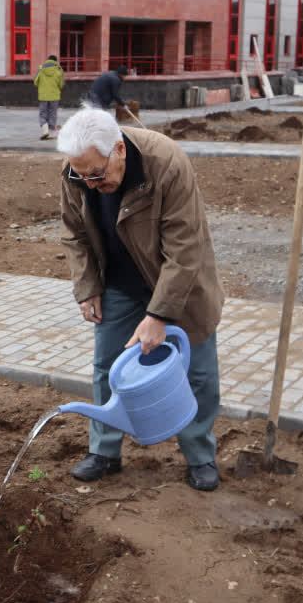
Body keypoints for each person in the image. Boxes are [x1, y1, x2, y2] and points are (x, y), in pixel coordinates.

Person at [57, 105, 225, 492]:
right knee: (107, 369)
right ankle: (105, 452)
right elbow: (73, 234)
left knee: (197, 373)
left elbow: (185, 249)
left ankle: (200, 455)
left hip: (180, 288)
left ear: (118, 149)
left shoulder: (166, 163)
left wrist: (159, 315)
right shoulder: (76, 171)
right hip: (117, 283)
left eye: (97, 174)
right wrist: (87, 287)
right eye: (82, 175)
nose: (90, 183)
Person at [34, 54, 65, 140]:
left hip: (43, 96)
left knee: (43, 113)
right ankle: (51, 131)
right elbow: (61, 84)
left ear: (48, 60)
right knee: (52, 113)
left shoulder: (41, 68)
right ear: (56, 61)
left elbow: (36, 82)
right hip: (54, 96)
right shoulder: (59, 69)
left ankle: (45, 130)